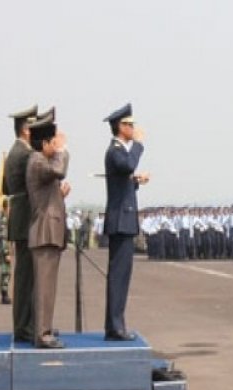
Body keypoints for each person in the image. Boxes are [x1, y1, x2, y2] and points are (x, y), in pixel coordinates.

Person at [102, 103, 149, 341]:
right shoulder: (116, 151)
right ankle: (115, 327)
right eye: (130, 125)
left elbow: (125, 178)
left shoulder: (119, 151)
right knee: (119, 275)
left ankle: (115, 324)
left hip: (123, 219)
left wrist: (136, 181)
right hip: (121, 220)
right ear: (121, 127)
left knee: (121, 275)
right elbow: (128, 165)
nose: (134, 129)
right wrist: (139, 144)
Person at [26, 115, 70, 348]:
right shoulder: (38, 161)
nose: (56, 146)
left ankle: (44, 329)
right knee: (44, 287)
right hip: (44, 233)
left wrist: (59, 196)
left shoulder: (41, 163)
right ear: (44, 144)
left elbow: (44, 196)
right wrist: (63, 150)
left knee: (47, 287)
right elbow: (60, 170)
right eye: (53, 142)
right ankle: (42, 335)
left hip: (48, 232)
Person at [3, 104, 39, 342]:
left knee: (26, 276)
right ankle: (24, 327)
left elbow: (6, 188)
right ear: (26, 130)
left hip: (20, 217)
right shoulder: (24, 154)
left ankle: (28, 325)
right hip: (26, 219)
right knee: (26, 278)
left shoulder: (13, 152)